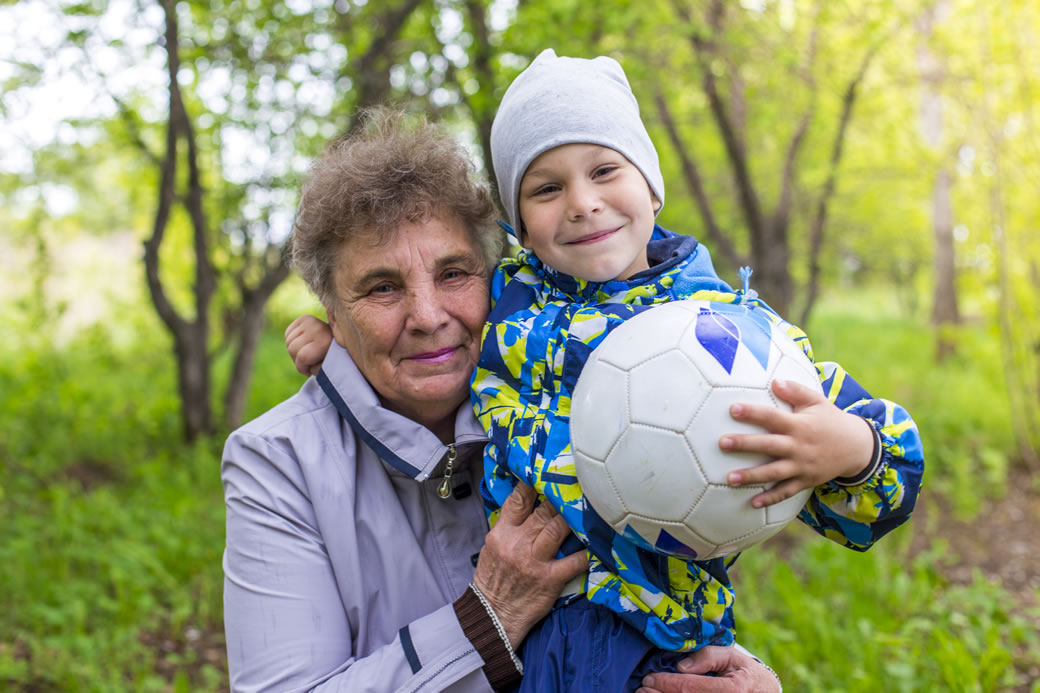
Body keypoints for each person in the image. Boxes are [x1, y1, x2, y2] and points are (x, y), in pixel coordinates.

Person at [288, 51, 926, 692]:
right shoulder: (511, 303)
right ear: (520, 227)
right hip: (530, 643)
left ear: (651, 186)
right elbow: (428, 327)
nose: (583, 203)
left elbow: (882, 486)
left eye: (604, 170)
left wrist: (851, 449)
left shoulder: (730, 330)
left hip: (657, 644)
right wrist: (338, 338)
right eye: (546, 188)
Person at [227, 107, 783, 693]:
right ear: (332, 314)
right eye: (382, 287)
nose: (428, 317)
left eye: (453, 273)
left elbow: (650, 576)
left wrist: (742, 676)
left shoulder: (574, 403)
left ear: (502, 280)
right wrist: (487, 619)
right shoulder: (279, 460)